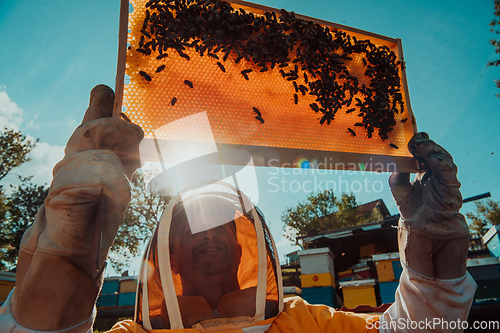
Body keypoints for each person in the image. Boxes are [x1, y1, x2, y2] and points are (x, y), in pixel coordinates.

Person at [0, 85, 476, 333]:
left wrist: (434, 252)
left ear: (246, 244)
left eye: (222, 225)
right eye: (192, 226)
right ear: (170, 251)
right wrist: (62, 267)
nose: (208, 234)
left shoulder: (303, 323)